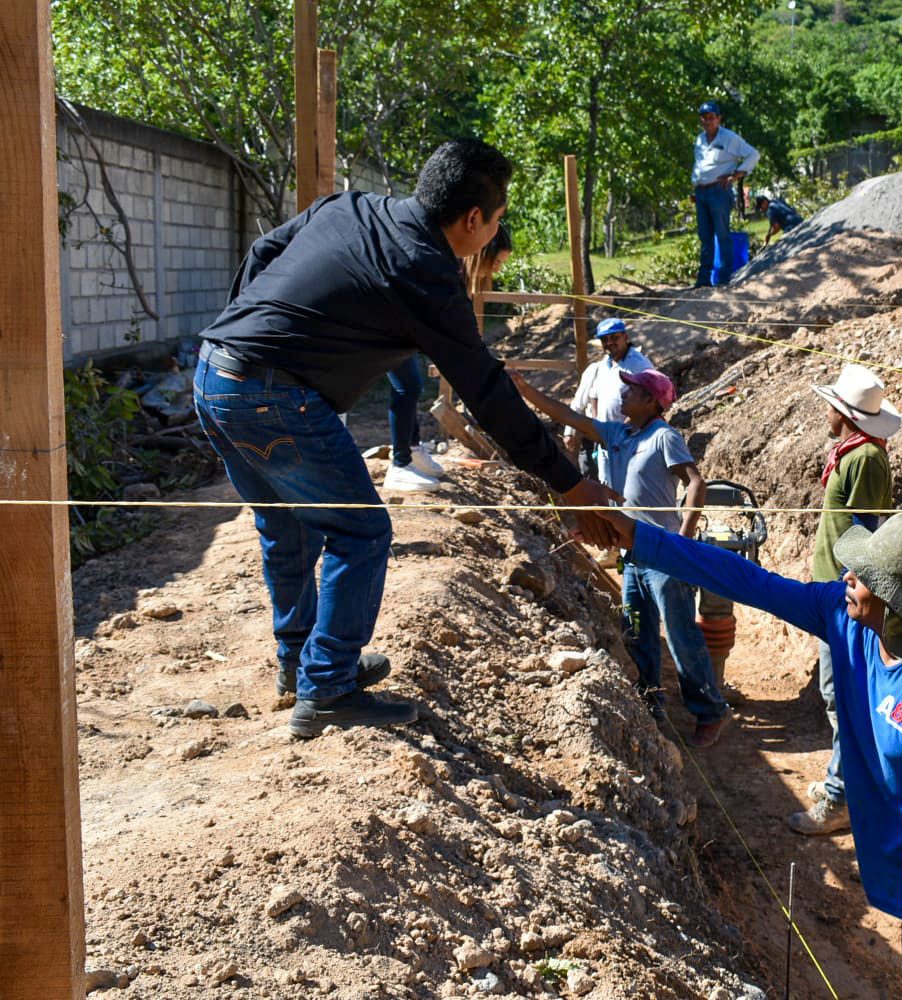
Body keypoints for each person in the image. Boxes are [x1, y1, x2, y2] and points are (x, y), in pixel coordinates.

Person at [193, 139, 613, 738]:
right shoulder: (428, 273)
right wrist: (569, 483)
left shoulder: (352, 206)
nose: (493, 233)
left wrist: (249, 335)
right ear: (474, 220)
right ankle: (329, 687)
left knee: (286, 525)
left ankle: (303, 665)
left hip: (213, 369)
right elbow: (488, 394)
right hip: (271, 395)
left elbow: (265, 249)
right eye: (496, 222)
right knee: (360, 530)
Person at [598, 508, 902, 997]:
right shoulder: (846, 618)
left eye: (865, 575)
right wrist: (640, 537)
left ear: (896, 600)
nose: (848, 575)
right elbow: (749, 581)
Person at [509, 368, 732, 748]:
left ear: (651, 401)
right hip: (633, 553)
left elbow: (696, 482)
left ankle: (711, 711)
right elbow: (569, 417)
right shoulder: (617, 434)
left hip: (664, 553)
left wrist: (685, 539)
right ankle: (652, 702)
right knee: (637, 630)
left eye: (632, 391)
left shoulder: (664, 437)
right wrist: (525, 390)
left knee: (680, 637)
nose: (623, 395)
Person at [790, 364, 901, 836]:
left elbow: (866, 528)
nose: (826, 412)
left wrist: (853, 585)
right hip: (835, 585)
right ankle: (845, 780)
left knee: (843, 694)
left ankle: (842, 797)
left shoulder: (865, 460)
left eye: (831, 406)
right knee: (836, 693)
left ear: (845, 413)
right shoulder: (852, 453)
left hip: (845, 591)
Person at [383, 225, 513, 492]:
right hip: (385, 321)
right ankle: (399, 465)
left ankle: (412, 447)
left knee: (411, 385)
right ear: (483, 252)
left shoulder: (455, 270)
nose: (498, 270)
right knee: (406, 387)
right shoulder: (447, 267)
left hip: (402, 326)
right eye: (497, 262)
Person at [568, 317, 652, 483]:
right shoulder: (603, 366)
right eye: (605, 339)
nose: (610, 343)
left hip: (630, 440)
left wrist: (628, 429)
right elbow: (593, 397)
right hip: (605, 441)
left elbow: (651, 397)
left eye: (614, 337)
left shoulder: (639, 365)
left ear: (625, 337)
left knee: (629, 485)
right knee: (607, 486)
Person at [692, 100, 759, 288]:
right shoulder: (699, 139)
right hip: (701, 192)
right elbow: (699, 165)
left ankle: (724, 278)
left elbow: (753, 154)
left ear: (718, 118)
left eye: (711, 117)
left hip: (719, 191)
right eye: (704, 118)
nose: (708, 121)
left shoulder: (729, 138)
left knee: (722, 234)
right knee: (705, 236)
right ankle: (703, 279)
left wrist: (737, 174)